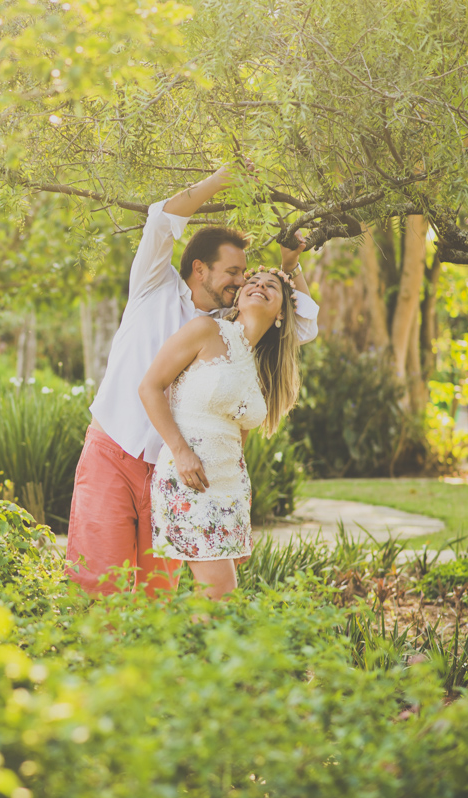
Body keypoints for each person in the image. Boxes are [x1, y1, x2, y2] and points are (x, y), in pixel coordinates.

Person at [65, 164, 319, 597]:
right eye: (235, 272)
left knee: (154, 595)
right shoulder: (153, 286)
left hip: (176, 473)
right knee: (97, 586)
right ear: (200, 269)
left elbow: (306, 325)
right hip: (114, 452)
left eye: (245, 276)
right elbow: (162, 219)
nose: (242, 281)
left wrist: (289, 266)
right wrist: (223, 178)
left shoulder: (227, 328)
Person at [139, 268, 301, 600]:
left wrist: (293, 265)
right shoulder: (206, 330)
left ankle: (192, 652)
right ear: (239, 297)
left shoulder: (262, 366)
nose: (258, 286)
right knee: (222, 593)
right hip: (189, 478)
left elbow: (238, 435)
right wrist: (180, 452)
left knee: (211, 598)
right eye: (252, 282)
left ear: (282, 311)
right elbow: (150, 387)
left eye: (270, 286)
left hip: (231, 490)